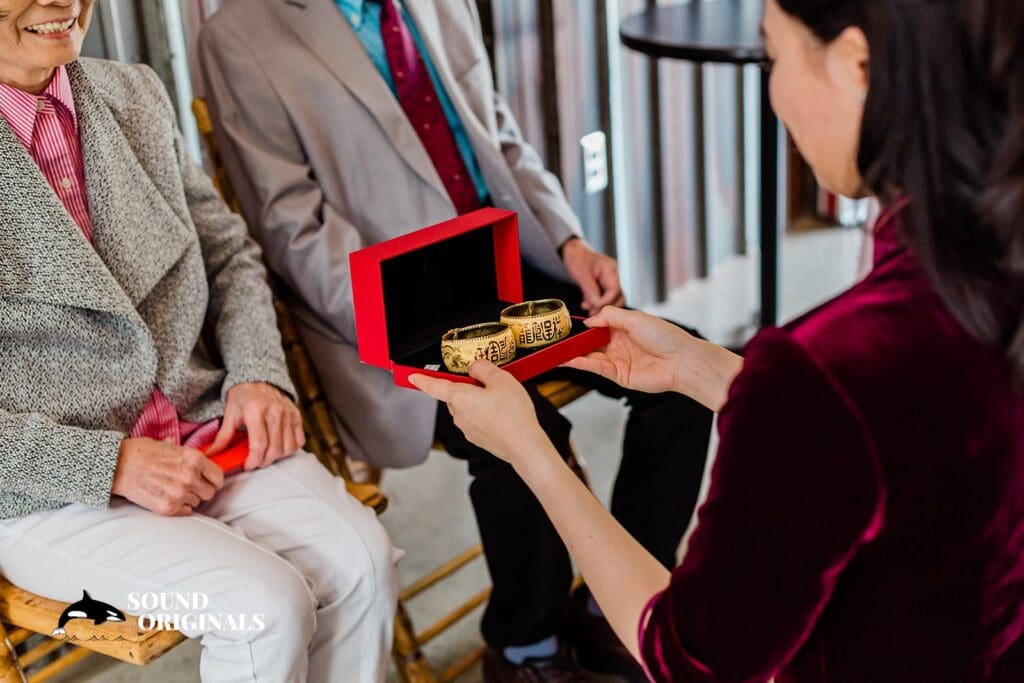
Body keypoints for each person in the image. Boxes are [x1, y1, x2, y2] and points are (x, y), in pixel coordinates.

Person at [411, 0, 1024, 680]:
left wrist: (532, 451)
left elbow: (691, 658)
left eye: (775, 56)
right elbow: (900, 433)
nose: (775, 93)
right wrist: (697, 366)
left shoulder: (819, 370)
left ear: (856, 65)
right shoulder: (979, 275)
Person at [197, 1, 713, 679]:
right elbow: (292, 230)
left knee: (680, 373)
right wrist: (409, 318)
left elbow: (499, 136)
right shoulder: (240, 34)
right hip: (389, 309)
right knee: (522, 435)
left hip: (508, 268)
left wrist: (568, 238)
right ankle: (526, 647)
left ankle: (604, 612)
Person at [0, 1, 398, 681]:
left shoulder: (134, 92)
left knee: (363, 558)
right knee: (265, 606)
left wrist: (257, 374)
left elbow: (229, 255)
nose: (62, 2)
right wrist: (110, 463)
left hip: (202, 433)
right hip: (47, 487)